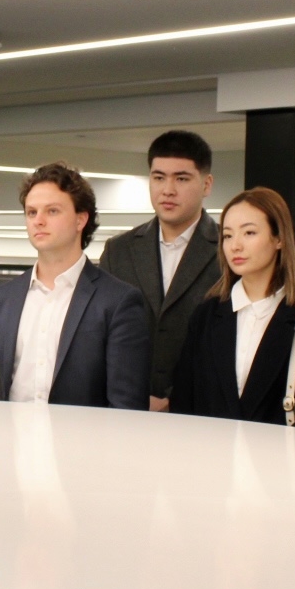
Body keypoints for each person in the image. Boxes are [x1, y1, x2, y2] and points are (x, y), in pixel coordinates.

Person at [0, 162, 150, 408]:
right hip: (8, 439)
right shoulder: (1, 298)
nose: (39, 221)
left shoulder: (118, 301)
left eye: (52, 211)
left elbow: (126, 404)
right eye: (31, 212)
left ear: (81, 220)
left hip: (82, 442)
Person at [168, 187, 295, 425]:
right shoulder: (206, 316)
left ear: (279, 238)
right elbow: (184, 402)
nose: (235, 245)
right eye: (227, 235)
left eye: (249, 233)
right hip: (208, 456)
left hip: (279, 458)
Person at [100, 130, 222, 411]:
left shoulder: (228, 251)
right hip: (125, 408)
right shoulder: (119, 251)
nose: (168, 189)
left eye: (181, 178)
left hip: (201, 411)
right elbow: (102, 334)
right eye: (158, 178)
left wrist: (175, 399)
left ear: (206, 184)